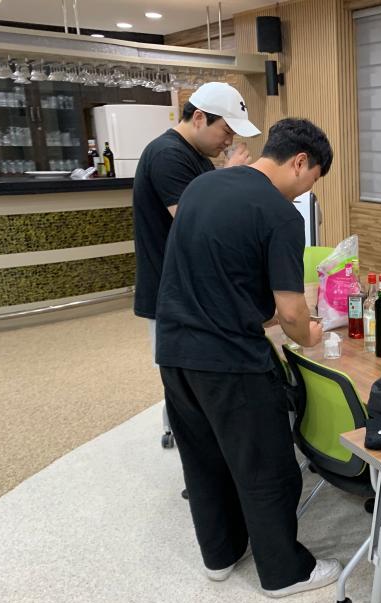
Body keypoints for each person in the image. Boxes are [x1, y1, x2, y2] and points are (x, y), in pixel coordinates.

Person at [155, 118, 341, 597]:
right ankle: (285, 572)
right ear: (300, 161)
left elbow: (219, 277)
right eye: (313, 179)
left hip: (174, 352)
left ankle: (220, 555)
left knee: (204, 461)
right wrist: (311, 332)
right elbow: (292, 313)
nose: (307, 190)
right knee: (266, 466)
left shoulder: (202, 187)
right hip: (230, 359)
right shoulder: (280, 215)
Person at [132, 82, 259, 459]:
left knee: (195, 377)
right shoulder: (168, 155)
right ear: (200, 117)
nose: (228, 141)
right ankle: (193, 453)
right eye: (226, 131)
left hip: (188, 289)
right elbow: (194, 219)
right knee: (183, 379)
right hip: (169, 292)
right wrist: (229, 176)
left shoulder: (196, 156)